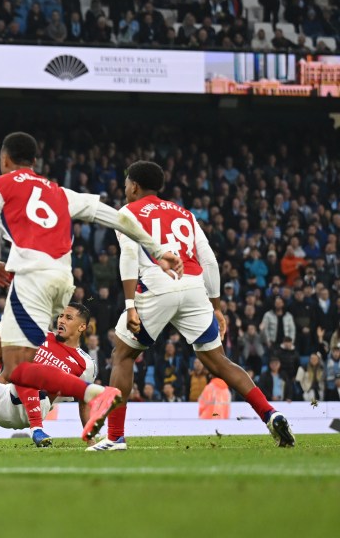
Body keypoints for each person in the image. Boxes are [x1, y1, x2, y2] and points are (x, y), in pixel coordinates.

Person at [0, 132, 182, 455]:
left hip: (31, 277)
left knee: (14, 369)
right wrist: (157, 249)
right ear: (35, 161)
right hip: (61, 279)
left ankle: (95, 393)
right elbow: (114, 216)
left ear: (4, 160)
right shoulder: (58, 190)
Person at [93, 161, 293, 451]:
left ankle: (114, 437)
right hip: (194, 286)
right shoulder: (183, 213)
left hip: (157, 286)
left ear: (134, 185)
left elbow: (128, 256)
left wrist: (129, 304)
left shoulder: (128, 212)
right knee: (219, 361)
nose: (124, 189)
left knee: (123, 355)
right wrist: (216, 306)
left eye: (126, 184)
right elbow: (209, 260)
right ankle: (270, 413)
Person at [0, 303, 97, 443]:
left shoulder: (86, 363)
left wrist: (91, 439)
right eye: (61, 316)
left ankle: (37, 430)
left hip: (38, 404)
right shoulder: (40, 335)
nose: (61, 320)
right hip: (8, 396)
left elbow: (84, 402)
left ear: (82, 327)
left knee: (28, 369)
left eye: (69, 318)